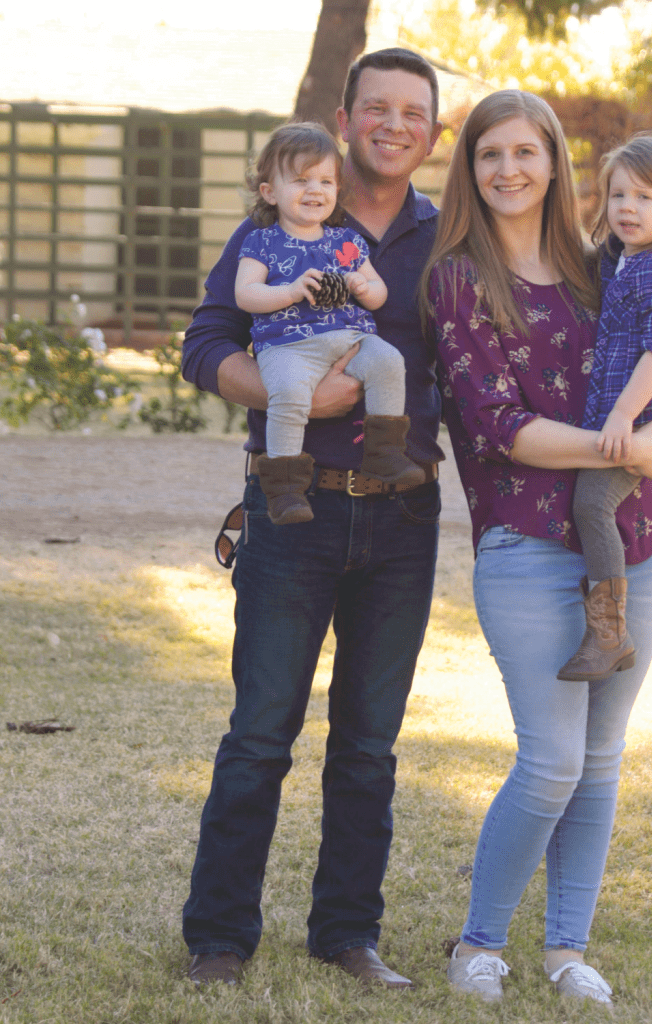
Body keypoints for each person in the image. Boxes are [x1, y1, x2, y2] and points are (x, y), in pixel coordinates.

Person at [180, 47, 443, 988]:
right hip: (289, 512)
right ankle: (218, 937)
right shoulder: (272, 225)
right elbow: (205, 340)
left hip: (404, 516)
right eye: (376, 108)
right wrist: (288, 391)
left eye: (412, 112)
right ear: (345, 118)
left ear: (431, 130)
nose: (393, 125)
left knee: (369, 742)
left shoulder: (443, 238)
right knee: (261, 730)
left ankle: (347, 932)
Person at [422, 90, 652, 1006]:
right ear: (469, 167)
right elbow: (500, 428)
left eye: (524, 152)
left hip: (638, 541)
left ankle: (567, 948)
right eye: (489, 154)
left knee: (602, 758)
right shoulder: (456, 279)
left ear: (553, 161)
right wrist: (631, 445)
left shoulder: (601, 264)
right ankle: (478, 945)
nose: (507, 170)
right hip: (527, 545)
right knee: (551, 760)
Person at [556, 133, 652, 683]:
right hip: (632, 405)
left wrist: (625, 417)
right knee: (592, 502)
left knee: (592, 503)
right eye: (618, 195)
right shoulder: (622, 260)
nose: (627, 208)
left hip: (649, 407)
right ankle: (607, 628)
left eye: (645, 197)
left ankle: (609, 635)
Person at [235, 121, 424, 526]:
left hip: (349, 340)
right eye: (301, 180)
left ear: (338, 189)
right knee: (287, 394)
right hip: (288, 346)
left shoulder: (346, 242)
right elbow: (245, 294)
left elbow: (379, 292)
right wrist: (288, 291)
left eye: (325, 180)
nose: (315, 190)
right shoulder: (261, 241)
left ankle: (385, 452)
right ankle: (284, 486)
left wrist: (362, 284)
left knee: (389, 360)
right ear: (269, 191)